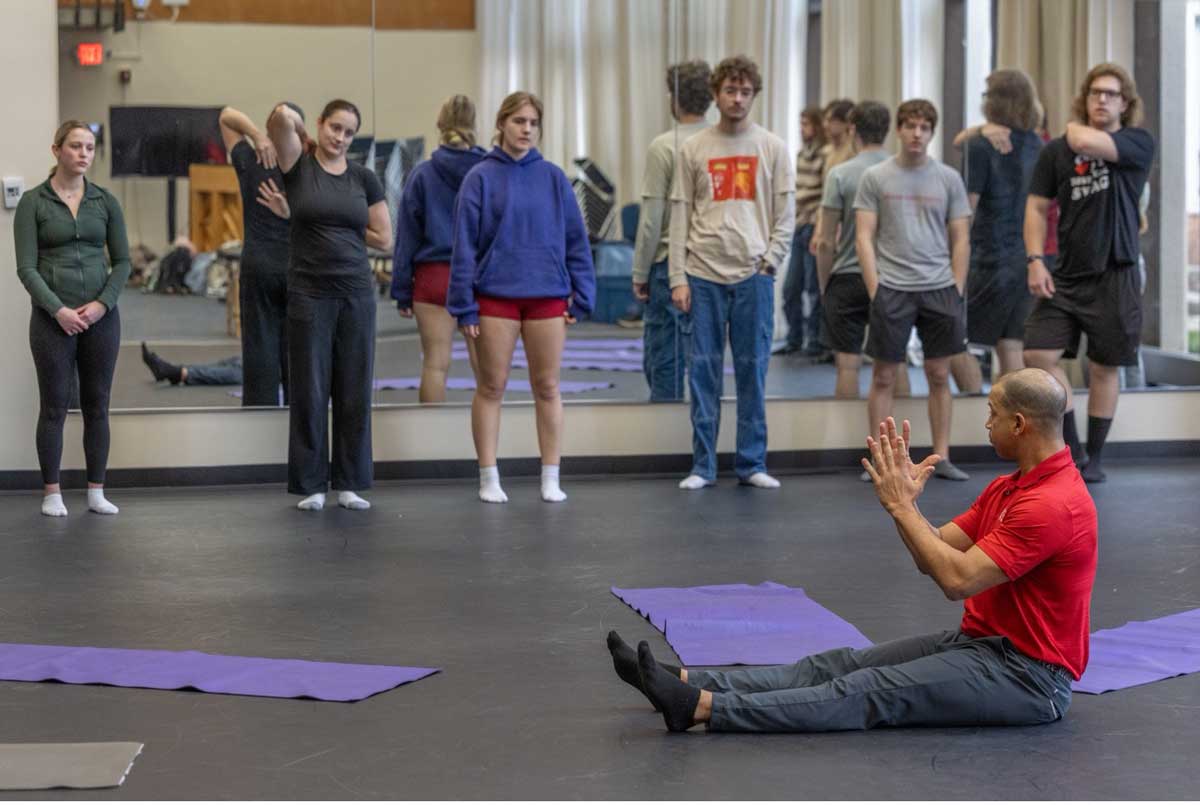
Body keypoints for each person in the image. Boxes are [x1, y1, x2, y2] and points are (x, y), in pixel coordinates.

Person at [608, 368, 1096, 734]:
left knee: (862, 691)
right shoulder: (1013, 488)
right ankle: (685, 679)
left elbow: (956, 581)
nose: (985, 422)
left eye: (992, 413)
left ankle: (699, 708)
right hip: (983, 645)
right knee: (837, 664)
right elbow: (936, 552)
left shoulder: (1053, 505)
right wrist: (901, 505)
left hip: (1028, 678)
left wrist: (903, 508)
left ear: (1019, 424)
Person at [448, 91, 595, 504]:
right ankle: (488, 477)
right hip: (495, 298)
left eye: (532, 122)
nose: (526, 129)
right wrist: (464, 305)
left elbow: (576, 240)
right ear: (502, 124)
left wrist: (582, 295)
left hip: (547, 296)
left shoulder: (552, 177)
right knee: (491, 387)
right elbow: (464, 247)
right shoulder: (479, 177)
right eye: (518, 121)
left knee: (547, 386)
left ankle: (551, 476)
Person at [1022, 63, 1155, 483]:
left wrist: (1070, 125)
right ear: (1086, 96)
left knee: (1104, 366)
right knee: (1038, 355)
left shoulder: (1136, 142)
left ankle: (1094, 458)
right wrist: (1035, 259)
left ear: (1125, 103)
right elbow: (1036, 207)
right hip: (1066, 273)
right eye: (1095, 92)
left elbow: (1082, 138)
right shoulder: (1056, 152)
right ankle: (1073, 449)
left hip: (1116, 273)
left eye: (1111, 94)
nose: (1102, 99)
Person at [670, 55, 795, 490]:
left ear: (753, 95)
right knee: (701, 371)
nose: (737, 99)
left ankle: (751, 462)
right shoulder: (693, 148)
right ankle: (703, 466)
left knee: (752, 371)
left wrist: (771, 261)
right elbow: (679, 214)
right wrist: (677, 277)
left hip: (753, 275)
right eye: (730, 91)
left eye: (745, 92)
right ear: (716, 94)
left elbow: (786, 213)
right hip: (702, 272)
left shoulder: (773, 148)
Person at [267, 99, 392, 511]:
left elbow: (384, 237)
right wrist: (298, 127)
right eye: (334, 128)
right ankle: (312, 484)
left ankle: (350, 483)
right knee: (310, 387)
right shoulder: (298, 168)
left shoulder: (364, 178)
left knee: (354, 388)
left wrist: (348, 231)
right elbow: (278, 119)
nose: (340, 138)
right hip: (309, 291)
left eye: (349, 132)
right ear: (320, 126)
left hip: (356, 291)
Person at [14, 121, 130, 517]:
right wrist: (58, 311)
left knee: (98, 404)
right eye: (76, 146)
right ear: (56, 150)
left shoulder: (105, 201)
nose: (83, 154)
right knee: (54, 406)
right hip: (52, 320)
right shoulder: (33, 202)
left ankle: (96, 491)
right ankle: (52, 493)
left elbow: (124, 262)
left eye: (90, 147)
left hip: (102, 318)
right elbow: (26, 268)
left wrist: (102, 305)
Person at [856, 99, 973, 483]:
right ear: (899, 130)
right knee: (884, 376)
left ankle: (942, 456)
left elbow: (961, 239)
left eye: (924, 127)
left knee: (940, 374)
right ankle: (881, 461)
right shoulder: (876, 177)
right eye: (910, 126)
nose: (917, 134)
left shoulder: (948, 179)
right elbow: (864, 237)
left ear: (931, 132)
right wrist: (877, 290)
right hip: (893, 287)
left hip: (939, 287)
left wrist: (956, 288)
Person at [390, 95, 486, 403]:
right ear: (474, 126)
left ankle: (429, 444)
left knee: (435, 365)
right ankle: (490, 444)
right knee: (486, 373)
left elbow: (406, 239)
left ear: (440, 126)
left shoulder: (421, 175)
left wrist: (402, 290)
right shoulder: (488, 172)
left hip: (433, 278)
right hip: (478, 278)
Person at [951, 70, 1044, 385]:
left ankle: (978, 411)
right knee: (1010, 344)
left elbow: (967, 210)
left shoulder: (979, 147)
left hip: (988, 259)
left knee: (951, 340)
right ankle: (1014, 427)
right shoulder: (1037, 144)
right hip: (1025, 257)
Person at [631, 60, 711, 402]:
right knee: (704, 359)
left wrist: (639, 271)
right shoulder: (719, 142)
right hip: (709, 266)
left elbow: (652, 219)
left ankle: (665, 444)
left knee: (664, 360)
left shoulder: (664, 146)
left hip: (667, 266)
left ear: (674, 99)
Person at [218, 103, 301, 407]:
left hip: (262, 267)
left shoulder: (254, 159)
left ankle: (258, 425)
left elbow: (227, 117)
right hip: (294, 268)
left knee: (260, 353)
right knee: (298, 354)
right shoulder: (309, 166)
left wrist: (255, 135)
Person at [814, 101, 893, 400]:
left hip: (847, 275)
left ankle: (844, 443)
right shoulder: (898, 170)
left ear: (852, 130)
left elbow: (824, 240)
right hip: (890, 278)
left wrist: (825, 285)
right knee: (893, 365)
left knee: (847, 365)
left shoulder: (840, 174)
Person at [776, 106, 826, 356]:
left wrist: (819, 228)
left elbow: (825, 197)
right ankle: (794, 338)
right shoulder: (800, 154)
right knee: (790, 288)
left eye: (806, 124)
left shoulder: (825, 155)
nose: (802, 129)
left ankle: (815, 341)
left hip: (814, 227)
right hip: (799, 225)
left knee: (813, 289)